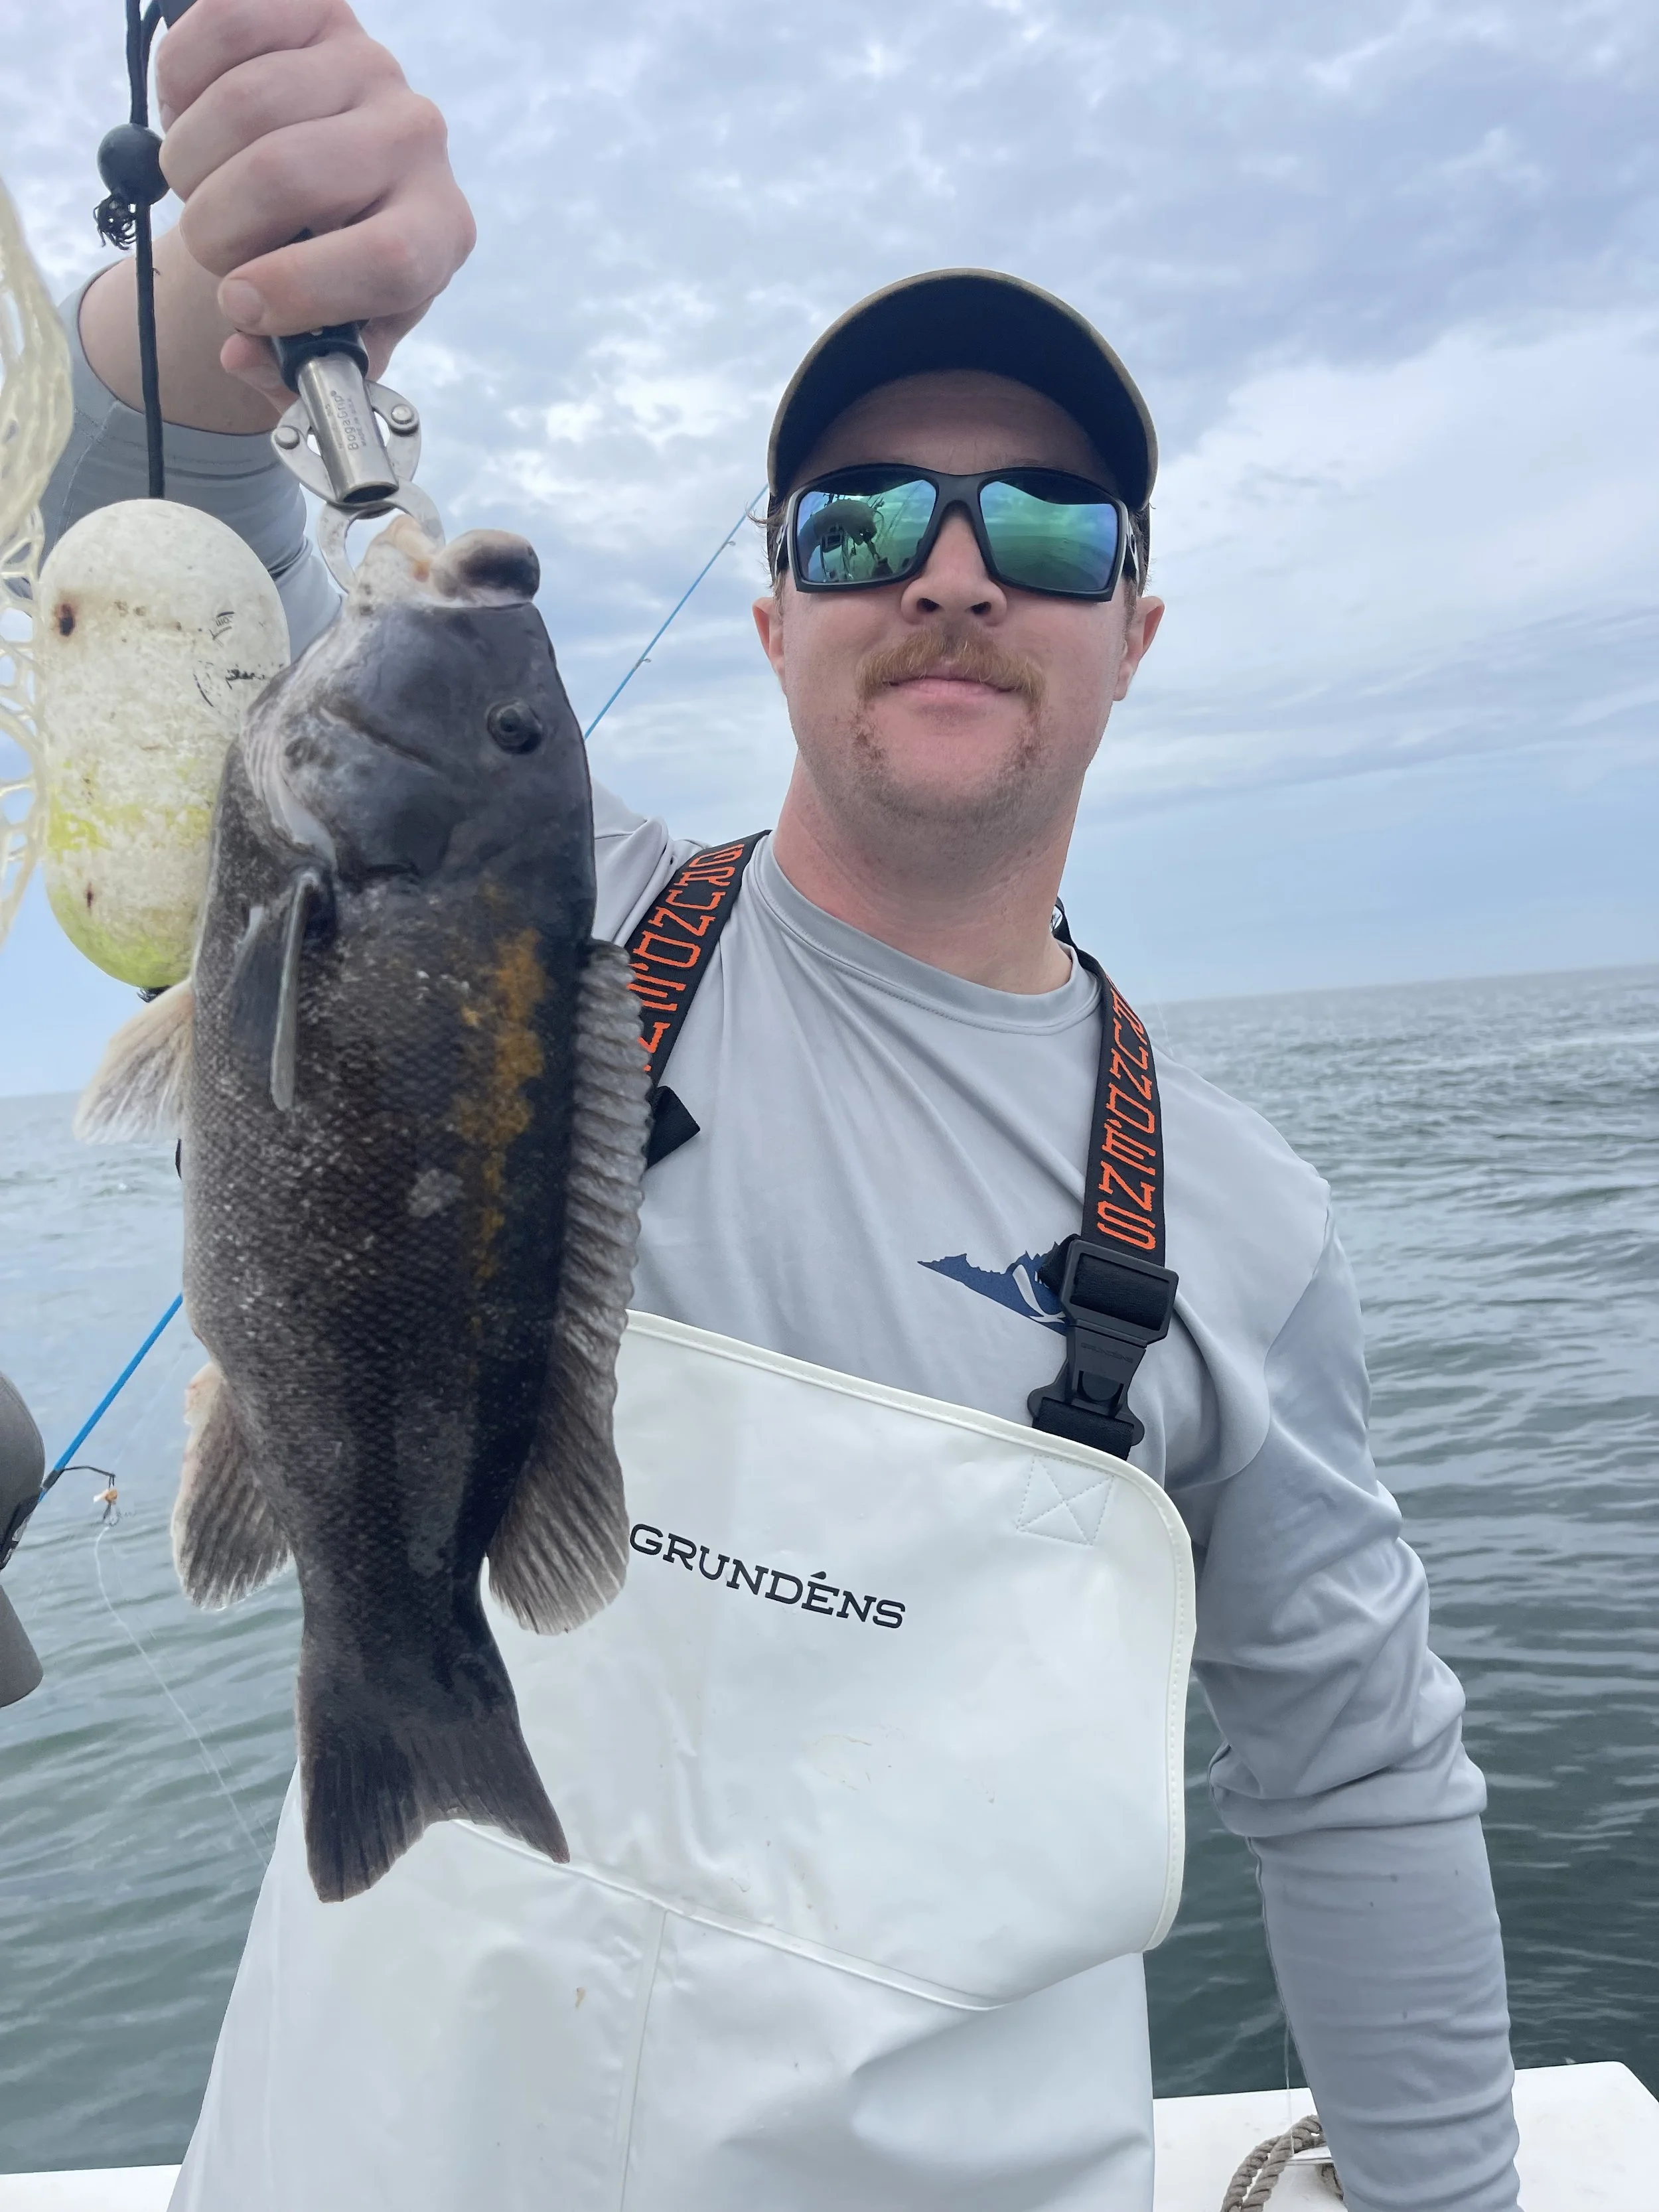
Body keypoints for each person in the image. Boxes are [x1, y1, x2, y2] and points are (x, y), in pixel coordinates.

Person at [46, 5, 1522, 2207]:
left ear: (1135, 620)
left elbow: (1360, 1780)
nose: (947, 573)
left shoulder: (1237, 1219)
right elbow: (138, 539)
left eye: (1037, 518)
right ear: (769, 609)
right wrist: (223, 293)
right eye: (859, 523)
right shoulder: (540, 913)